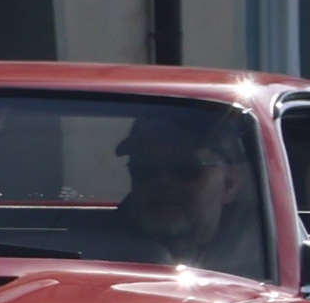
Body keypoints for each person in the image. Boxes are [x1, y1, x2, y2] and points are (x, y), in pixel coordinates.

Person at [107, 109, 265, 278]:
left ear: (229, 184)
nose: (163, 182)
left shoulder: (268, 257)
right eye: (145, 169)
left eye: (185, 169)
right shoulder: (97, 249)